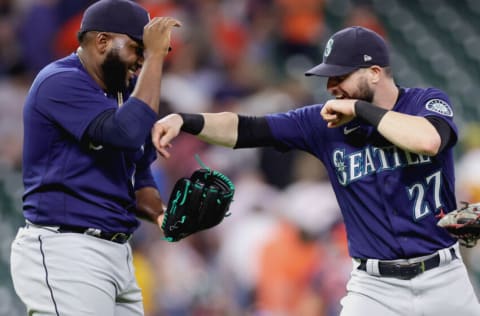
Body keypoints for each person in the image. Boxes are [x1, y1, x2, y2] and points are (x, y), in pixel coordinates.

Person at [152, 26, 480, 316]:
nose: (332, 87)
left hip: (443, 277)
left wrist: (359, 109)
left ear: (375, 72)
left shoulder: (426, 102)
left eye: (341, 76)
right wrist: (186, 120)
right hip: (376, 288)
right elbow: (247, 129)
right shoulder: (322, 122)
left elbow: (428, 140)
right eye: (329, 78)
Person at [10, 1, 180, 315]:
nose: (142, 60)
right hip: (67, 249)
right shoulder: (59, 81)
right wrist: (157, 54)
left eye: (146, 52)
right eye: (137, 48)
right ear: (101, 42)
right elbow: (124, 133)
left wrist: (163, 216)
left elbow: (138, 176)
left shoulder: (125, 94)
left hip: (118, 255)